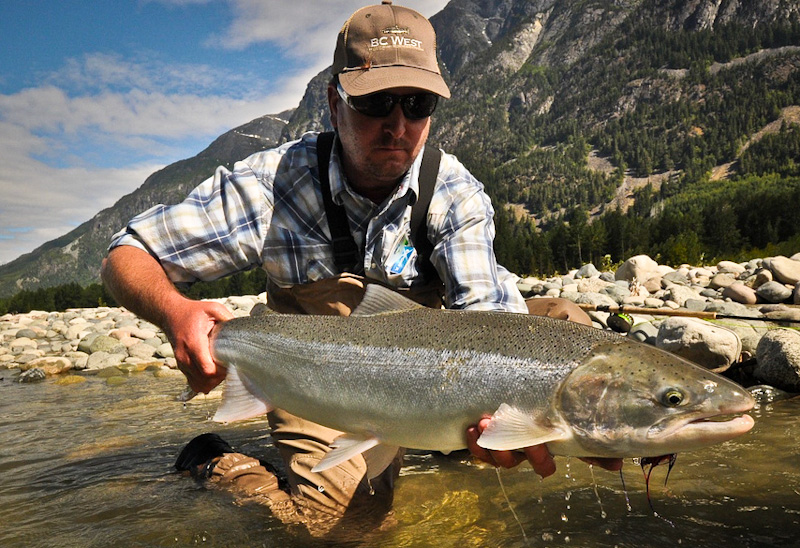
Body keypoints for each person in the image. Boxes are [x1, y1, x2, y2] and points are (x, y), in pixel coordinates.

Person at [102, 0, 619, 537]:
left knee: (575, 336)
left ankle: (439, 437)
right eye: (376, 102)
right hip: (318, 367)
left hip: (438, 364)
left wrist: (552, 422)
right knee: (339, 529)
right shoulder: (271, 185)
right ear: (334, 101)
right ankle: (218, 462)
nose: (398, 125)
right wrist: (175, 311)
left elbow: (488, 316)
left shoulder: (455, 192)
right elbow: (126, 253)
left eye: (417, 104)